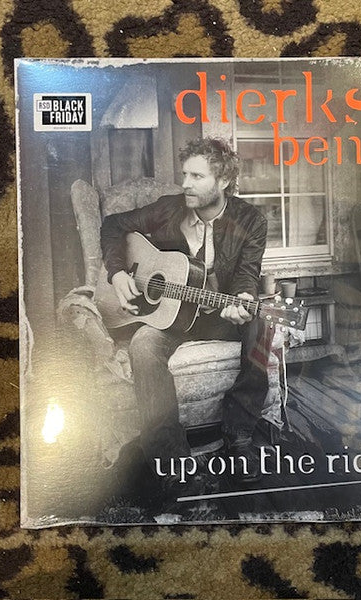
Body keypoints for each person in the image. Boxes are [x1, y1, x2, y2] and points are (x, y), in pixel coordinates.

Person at [100, 137, 273, 490]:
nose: (185, 184)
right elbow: (113, 225)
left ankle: (239, 433)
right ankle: (172, 462)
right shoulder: (169, 208)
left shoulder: (251, 220)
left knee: (262, 321)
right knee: (143, 345)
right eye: (184, 175)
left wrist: (242, 298)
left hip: (219, 313)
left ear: (223, 180)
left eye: (197, 176)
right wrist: (117, 273)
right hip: (172, 318)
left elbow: (248, 273)